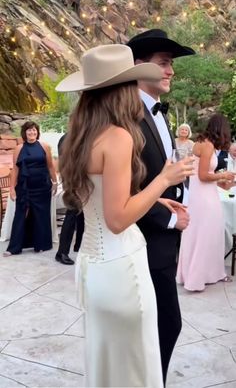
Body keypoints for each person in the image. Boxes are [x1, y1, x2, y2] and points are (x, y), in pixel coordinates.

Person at [56, 44, 194, 387]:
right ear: (120, 90)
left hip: (92, 267)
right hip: (122, 271)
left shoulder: (80, 137)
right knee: (135, 369)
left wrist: (154, 200)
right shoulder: (118, 136)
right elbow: (117, 219)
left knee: (108, 367)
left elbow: (102, 200)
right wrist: (164, 179)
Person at [127, 28, 196, 383]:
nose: (170, 71)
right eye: (163, 63)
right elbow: (124, 189)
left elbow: (161, 173)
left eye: (171, 65)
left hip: (164, 238)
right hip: (145, 241)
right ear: (139, 66)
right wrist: (167, 221)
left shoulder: (159, 112)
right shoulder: (126, 115)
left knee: (160, 327)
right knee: (165, 325)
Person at [177, 114, 235, 291]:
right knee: (205, 235)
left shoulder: (202, 143)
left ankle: (206, 273)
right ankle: (197, 277)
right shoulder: (208, 146)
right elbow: (203, 175)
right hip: (204, 197)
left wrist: (225, 181)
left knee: (202, 234)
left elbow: (204, 176)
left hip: (201, 194)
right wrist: (223, 175)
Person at [3, 121, 57, 256]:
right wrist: (12, 188)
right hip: (25, 187)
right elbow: (15, 169)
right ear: (24, 132)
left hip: (42, 186)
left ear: (37, 132)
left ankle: (41, 245)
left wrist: (55, 182)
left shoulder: (44, 146)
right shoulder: (19, 148)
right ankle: (14, 248)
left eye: (34, 130)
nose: (32, 132)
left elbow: (50, 166)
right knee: (21, 214)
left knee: (41, 215)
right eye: (29, 130)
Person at [55, 133, 84, 265]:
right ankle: (61, 253)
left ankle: (79, 245)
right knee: (72, 213)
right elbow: (65, 162)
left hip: (83, 180)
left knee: (82, 214)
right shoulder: (67, 138)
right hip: (73, 180)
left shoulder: (83, 135)